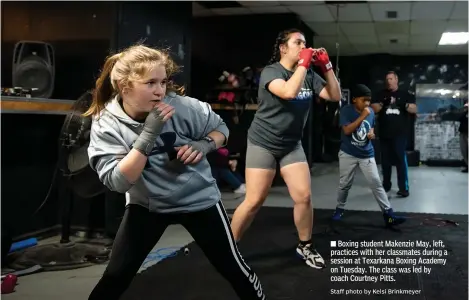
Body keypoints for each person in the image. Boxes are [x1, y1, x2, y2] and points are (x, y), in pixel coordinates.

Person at [84, 44, 266, 300]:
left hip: (198, 200)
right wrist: (149, 134)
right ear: (125, 87)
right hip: (147, 205)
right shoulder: (107, 123)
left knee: (233, 268)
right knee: (115, 277)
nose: (160, 91)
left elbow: (222, 129)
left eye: (163, 82)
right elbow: (118, 182)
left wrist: (204, 144)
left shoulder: (183, 107)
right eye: (150, 83)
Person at [230, 28, 342, 269]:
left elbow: (334, 96)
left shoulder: (310, 74)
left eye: (305, 43)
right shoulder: (272, 71)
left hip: (291, 144)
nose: (304, 47)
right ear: (283, 48)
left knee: (304, 196)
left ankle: (305, 246)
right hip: (263, 142)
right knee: (254, 199)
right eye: (298, 42)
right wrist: (303, 64)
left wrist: (327, 68)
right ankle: (229, 246)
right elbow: (289, 92)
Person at [332, 84, 406, 227]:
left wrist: (371, 134)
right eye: (364, 100)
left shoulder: (370, 111)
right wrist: (362, 116)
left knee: (376, 184)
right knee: (344, 185)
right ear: (354, 99)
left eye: (369, 100)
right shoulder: (346, 111)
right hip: (348, 153)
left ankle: (389, 215)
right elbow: (347, 131)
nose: (367, 103)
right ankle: (339, 209)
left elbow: (370, 127)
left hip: (366, 154)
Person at [371, 71, 417, 197]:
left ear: (396, 79)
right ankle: (386, 185)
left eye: (391, 79)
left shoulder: (405, 94)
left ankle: (403, 188)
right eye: (387, 79)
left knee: (400, 161)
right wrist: (383, 103)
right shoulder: (381, 94)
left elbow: (414, 109)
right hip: (385, 133)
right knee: (385, 162)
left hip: (400, 134)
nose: (389, 81)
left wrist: (404, 104)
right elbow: (373, 108)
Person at [458, 101, 468, 173]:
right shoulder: (464, 114)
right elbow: (460, 118)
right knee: (464, 150)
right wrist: (465, 111)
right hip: (463, 133)